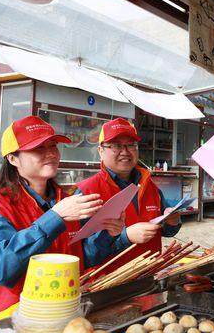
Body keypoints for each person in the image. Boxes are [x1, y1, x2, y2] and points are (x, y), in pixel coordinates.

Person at [0, 116, 137, 314]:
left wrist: (108, 234)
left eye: (53, 146)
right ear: (13, 159)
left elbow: (79, 259)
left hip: (60, 312)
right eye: (38, 148)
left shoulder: (63, 200)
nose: (50, 154)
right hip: (12, 321)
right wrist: (55, 218)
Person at [77, 118, 181, 276]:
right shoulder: (85, 192)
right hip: (108, 287)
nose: (125, 151)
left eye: (131, 145)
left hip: (149, 278)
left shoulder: (150, 186)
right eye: (117, 145)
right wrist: (125, 237)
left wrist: (172, 222)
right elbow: (82, 255)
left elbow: (165, 230)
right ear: (100, 151)